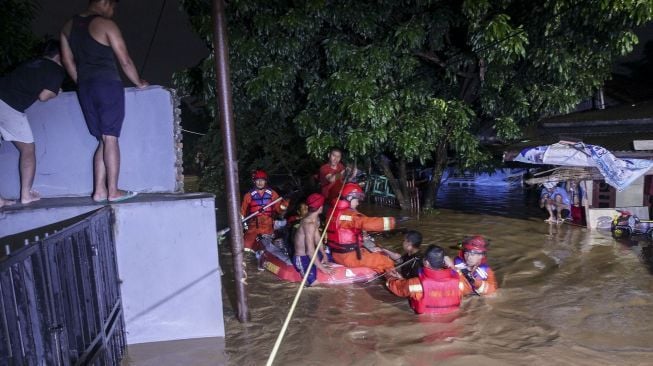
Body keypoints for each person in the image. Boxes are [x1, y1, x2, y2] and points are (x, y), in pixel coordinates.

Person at [60, 0, 149, 203]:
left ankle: (99, 191)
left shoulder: (67, 26)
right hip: (107, 85)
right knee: (111, 138)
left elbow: (67, 61)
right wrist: (139, 82)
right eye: (113, 7)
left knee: (102, 139)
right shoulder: (106, 25)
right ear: (104, 3)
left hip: (85, 88)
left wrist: (82, 82)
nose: (113, 11)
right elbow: (124, 59)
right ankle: (113, 191)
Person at [0, 40, 65, 206]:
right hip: (8, 105)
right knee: (28, 150)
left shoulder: (32, 62)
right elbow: (44, 96)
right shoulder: (56, 70)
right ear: (60, 56)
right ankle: (26, 195)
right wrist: (56, 92)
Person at [325, 182, 398, 273]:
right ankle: (394, 282)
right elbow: (366, 223)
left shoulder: (333, 211)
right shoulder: (349, 215)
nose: (358, 203)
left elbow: (358, 219)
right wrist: (393, 222)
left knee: (376, 253)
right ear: (349, 198)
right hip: (349, 256)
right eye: (357, 200)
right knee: (386, 261)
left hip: (337, 253)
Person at [385, 245, 461, 314]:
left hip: (426, 321)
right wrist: (452, 266)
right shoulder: (458, 280)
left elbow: (398, 289)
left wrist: (389, 277)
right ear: (444, 261)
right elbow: (467, 287)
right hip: (451, 318)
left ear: (426, 263)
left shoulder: (416, 283)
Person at [240, 170, 288, 252]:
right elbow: (242, 212)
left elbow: (280, 210)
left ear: (265, 181)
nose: (260, 182)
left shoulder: (273, 194)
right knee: (246, 247)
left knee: (272, 247)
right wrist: (242, 224)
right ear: (254, 181)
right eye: (257, 180)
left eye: (262, 180)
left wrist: (286, 201)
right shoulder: (248, 195)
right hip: (253, 226)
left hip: (268, 225)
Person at [293, 193, 333, 286]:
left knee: (330, 256)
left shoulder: (315, 218)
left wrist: (323, 253)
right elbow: (309, 252)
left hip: (312, 253)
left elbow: (317, 237)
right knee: (315, 285)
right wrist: (323, 269)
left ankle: (321, 260)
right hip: (302, 258)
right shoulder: (309, 224)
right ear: (320, 207)